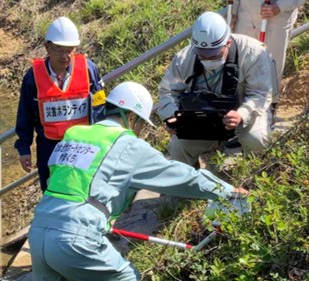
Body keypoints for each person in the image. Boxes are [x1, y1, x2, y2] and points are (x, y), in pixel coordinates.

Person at [28, 81, 250, 281]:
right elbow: (183, 177)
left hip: (38, 232)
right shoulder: (127, 145)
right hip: (76, 238)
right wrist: (225, 189)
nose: (140, 130)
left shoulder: (74, 135)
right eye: (141, 124)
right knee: (127, 277)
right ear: (131, 117)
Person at [156, 11, 274, 167]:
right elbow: (168, 92)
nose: (207, 60)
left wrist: (241, 114)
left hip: (245, 116)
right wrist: (172, 116)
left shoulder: (254, 53)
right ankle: (189, 185)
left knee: (256, 139)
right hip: (203, 119)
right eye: (202, 56)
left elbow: (260, 94)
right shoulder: (184, 58)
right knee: (178, 146)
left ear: (228, 43)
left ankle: (254, 177)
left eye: (213, 55)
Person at [14, 16, 105, 191]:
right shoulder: (33, 77)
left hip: (84, 147)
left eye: (70, 50)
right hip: (50, 148)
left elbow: (100, 106)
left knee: (85, 191)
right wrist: (24, 147)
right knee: (52, 192)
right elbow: (25, 114)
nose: (65, 56)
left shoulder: (89, 70)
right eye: (59, 50)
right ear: (47, 47)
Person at [231, 0, 305, 103]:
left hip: (276, 22)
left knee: (271, 71)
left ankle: (269, 110)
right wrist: (232, 11)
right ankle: (243, 111)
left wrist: (280, 6)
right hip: (244, 20)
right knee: (242, 71)